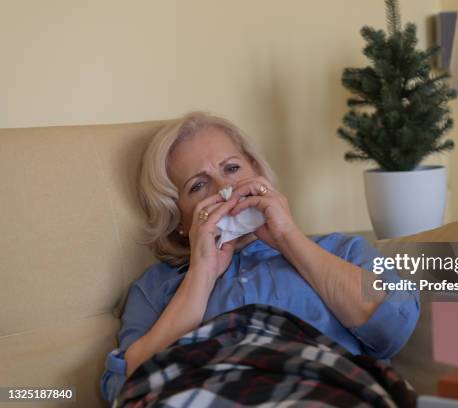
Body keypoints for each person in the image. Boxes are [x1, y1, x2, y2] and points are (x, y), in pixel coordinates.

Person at [100, 111, 420, 404]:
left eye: (232, 168)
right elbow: (126, 387)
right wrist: (202, 273)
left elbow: (393, 327)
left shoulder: (342, 250)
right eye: (198, 186)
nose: (225, 189)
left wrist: (288, 238)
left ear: (258, 172)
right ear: (179, 220)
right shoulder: (155, 288)